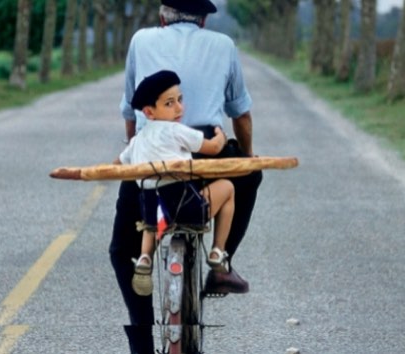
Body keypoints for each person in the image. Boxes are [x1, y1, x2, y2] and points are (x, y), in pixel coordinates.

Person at [109, 1, 263, 352]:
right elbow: (241, 115)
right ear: (204, 20)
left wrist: (136, 149)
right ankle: (221, 262)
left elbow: (130, 112)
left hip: (153, 155)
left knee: (122, 250)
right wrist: (248, 159)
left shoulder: (141, 40)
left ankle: (142, 343)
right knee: (249, 177)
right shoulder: (223, 45)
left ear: (163, 18)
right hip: (207, 146)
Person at [114, 70, 235, 297]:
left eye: (180, 100)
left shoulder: (138, 140)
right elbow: (213, 148)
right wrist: (221, 136)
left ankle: (145, 257)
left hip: (156, 213)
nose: (179, 108)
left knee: (151, 219)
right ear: (149, 111)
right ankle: (218, 251)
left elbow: (117, 165)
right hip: (187, 207)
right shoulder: (176, 131)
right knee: (227, 188)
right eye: (170, 103)